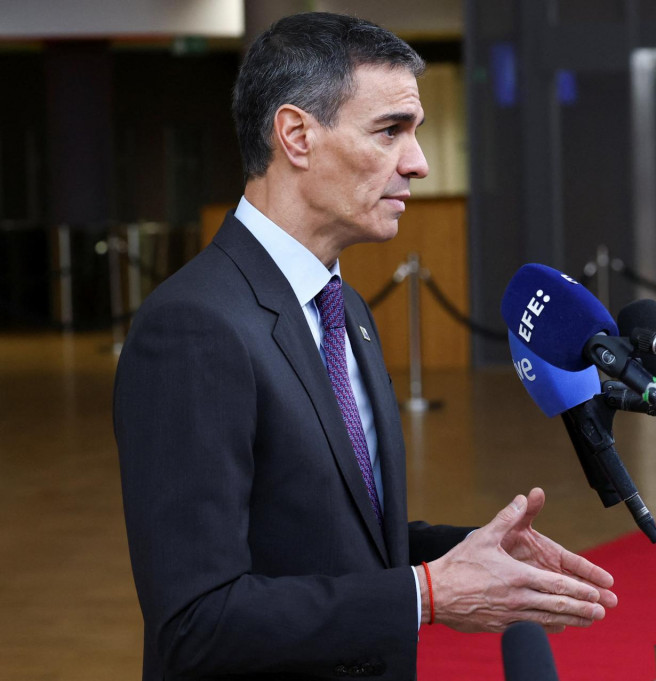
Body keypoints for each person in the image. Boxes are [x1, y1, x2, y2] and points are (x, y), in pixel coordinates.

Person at [113, 12, 616, 680]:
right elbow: (195, 620)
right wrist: (428, 594)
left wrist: (470, 551)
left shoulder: (342, 307)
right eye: (390, 130)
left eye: (415, 131)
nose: (419, 162)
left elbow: (326, 535)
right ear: (295, 135)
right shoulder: (193, 328)